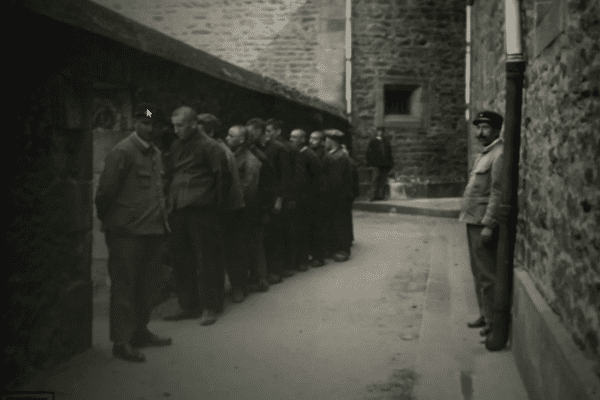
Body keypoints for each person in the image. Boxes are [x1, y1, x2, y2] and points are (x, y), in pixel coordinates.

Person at [95, 103, 173, 363]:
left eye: (153, 124)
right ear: (135, 123)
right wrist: (112, 223)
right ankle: (121, 341)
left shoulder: (155, 154)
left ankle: (140, 331)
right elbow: (105, 193)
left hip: (153, 231)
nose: (150, 128)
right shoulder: (122, 152)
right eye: (145, 123)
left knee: (149, 285)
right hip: (127, 233)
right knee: (125, 287)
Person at [164, 106, 232, 326]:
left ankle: (210, 306)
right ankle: (188, 305)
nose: (176, 130)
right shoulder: (176, 146)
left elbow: (223, 178)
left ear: (194, 124)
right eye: (174, 126)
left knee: (206, 259)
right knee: (181, 259)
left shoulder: (210, 147)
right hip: (178, 209)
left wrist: (214, 207)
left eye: (181, 125)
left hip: (202, 211)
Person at [459, 110, 504, 339]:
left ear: (496, 130)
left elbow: (497, 192)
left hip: (482, 223)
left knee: (488, 276)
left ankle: (494, 323)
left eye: (485, 128)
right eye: (478, 128)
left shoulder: (499, 154)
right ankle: (484, 315)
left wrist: (488, 224)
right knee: (478, 273)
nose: (480, 133)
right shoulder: (484, 154)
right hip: (472, 219)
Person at [197, 114, 248, 304]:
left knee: (231, 249)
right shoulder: (213, 148)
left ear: (210, 131)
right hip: (223, 206)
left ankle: (237, 288)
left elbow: (223, 184)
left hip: (228, 207)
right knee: (222, 250)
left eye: (201, 131)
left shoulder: (218, 150)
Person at [226, 125, 270, 293]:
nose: (227, 138)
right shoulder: (233, 156)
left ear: (241, 140)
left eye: (231, 136)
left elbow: (248, 187)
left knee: (254, 242)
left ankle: (260, 279)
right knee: (243, 244)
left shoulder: (250, 159)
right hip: (239, 207)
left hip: (248, 208)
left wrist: (235, 202)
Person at [259, 119, 294, 282]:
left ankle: (278, 269)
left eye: (269, 131)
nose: (267, 134)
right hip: (264, 197)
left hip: (277, 197)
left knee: (277, 234)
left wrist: (280, 198)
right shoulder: (260, 148)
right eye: (265, 131)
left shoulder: (280, 149)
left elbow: (285, 176)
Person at [289, 129, 321, 271]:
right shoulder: (294, 154)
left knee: (312, 228)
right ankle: (299, 259)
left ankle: (316, 257)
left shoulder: (310, 155)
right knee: (298, 230)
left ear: (302, 139)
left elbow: (317, 178)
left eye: (294, 137)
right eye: (290, 137)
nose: (291, 140)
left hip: (309, 198)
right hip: (298, 197)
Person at [321, 129, 354, 262]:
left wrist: (327, 194)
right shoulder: (338, 155)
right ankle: (336, 248)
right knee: (337, 223)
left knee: (340, 223)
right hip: (340, 195)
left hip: (338, 196)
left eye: (326, 140)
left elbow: (335, 180)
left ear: (332, 141)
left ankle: (343, 250)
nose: (324, 143)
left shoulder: (336, 157)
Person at [308, 130, 329, 267]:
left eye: (315, 139)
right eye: (310, 138)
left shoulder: (324, 156)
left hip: (320, 194)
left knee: (319, 226)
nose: (311, 141)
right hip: (312, 194)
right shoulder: (311, 153)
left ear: (321, 141)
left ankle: (320, 256)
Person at [366, 127, 394, 201]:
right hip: (375, 164)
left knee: (383, 181)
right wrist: (370, 164)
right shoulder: (373, 142)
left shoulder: (386, 142)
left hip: (385, 164)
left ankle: (381, 196)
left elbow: (389, 154)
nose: (380, 133)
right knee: (375, 180)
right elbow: (369, 154)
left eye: (381, 131)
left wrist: (390, 164)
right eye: (379, 131)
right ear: (377, 132)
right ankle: (373, 196)